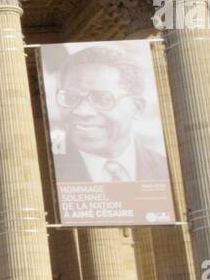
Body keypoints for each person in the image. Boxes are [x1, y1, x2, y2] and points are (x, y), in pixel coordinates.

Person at [50, 45, 168, 183]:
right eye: (71, 98)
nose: (82, 111)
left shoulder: (165, 170)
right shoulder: (41, 166)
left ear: (137, 108)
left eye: (102, 99)